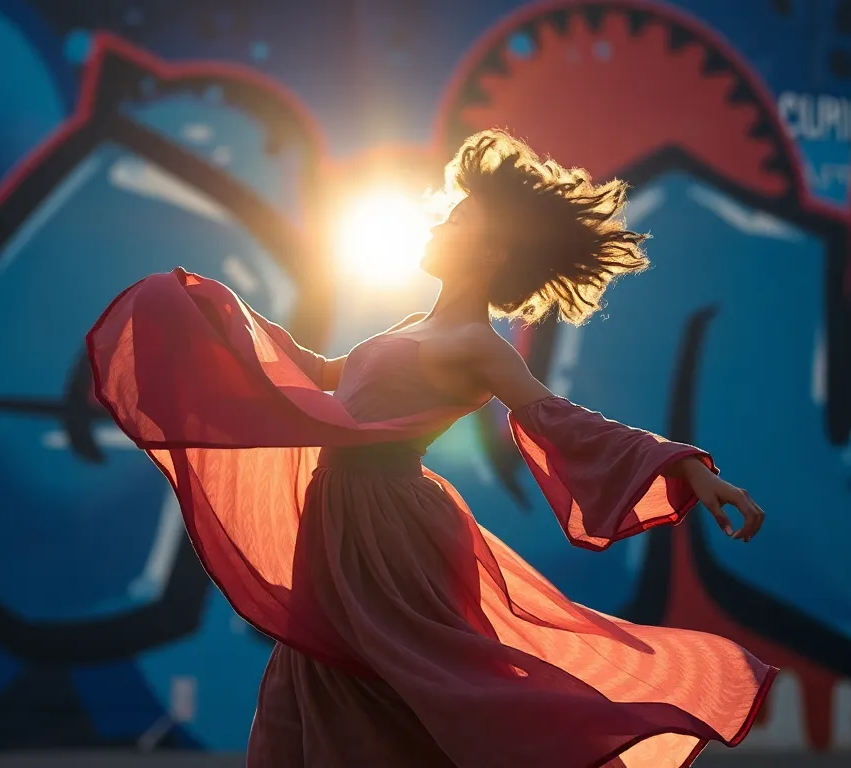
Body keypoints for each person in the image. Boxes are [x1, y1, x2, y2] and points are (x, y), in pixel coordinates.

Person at [88, 129, 774, 767]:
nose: (440, 224)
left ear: (493, 250)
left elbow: (556, 416)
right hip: (342, 519)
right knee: (325, 672)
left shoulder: (477, 345)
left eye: (459, 219)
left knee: (402, 679)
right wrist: (222, 321)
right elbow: (321, 375)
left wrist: (683, 466)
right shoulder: (414, 325)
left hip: (389, 527)